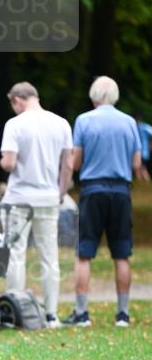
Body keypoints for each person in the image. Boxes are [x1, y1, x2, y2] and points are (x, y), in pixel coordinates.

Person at [64, 76, 143, 328]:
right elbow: (136, 164)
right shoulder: (129, 122)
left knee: (84, 253)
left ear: (94, 96)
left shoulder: (84, 121)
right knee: (121, 253)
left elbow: (75, 162)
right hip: (120, 192)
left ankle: (82, 313)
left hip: (93, 190)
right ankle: (122, 314)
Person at [0, 82, 73, 329]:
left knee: (15, 253)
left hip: (19, 197)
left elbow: (9, 163)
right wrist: (60, 193)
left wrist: (3, 161)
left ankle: (15, 310)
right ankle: (51, 314)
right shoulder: (61, 123)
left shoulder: (15, 125)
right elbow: (68, 165)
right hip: (49, 198)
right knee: (49, 256)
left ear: (17, 100)